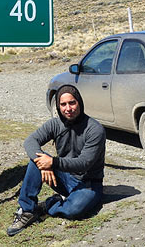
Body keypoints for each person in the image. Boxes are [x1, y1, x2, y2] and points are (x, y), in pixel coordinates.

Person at [7, 85, 106, 236]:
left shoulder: (94, 129)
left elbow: (85, 162)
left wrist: (52, 162)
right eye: (63, 104)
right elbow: (30, 141)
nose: (68, 108)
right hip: (65, 178)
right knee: (37, 159)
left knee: (74, 210)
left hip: (89, 184)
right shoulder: (55, 123)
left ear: (79, 102)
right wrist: (44, 164)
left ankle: (49, 205)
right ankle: (27, 211)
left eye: (72, 103)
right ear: (58, 106)